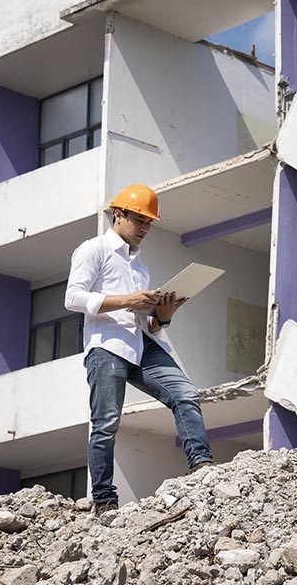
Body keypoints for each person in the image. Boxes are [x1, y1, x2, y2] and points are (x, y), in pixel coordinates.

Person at [64, 184, 213, 515]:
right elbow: (72, 298)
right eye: (140, 220)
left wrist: (164, 317)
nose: (145, 228)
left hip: (142, 343)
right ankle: (104, 500)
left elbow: (147, 323)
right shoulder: (94, 250)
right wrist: (126, 300)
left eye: (149, 223)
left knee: (186, 393)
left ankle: (201, 464)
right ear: (119, 214)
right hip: (107, 346)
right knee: (105, 424)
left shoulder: (140, 267)